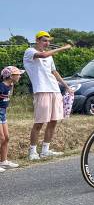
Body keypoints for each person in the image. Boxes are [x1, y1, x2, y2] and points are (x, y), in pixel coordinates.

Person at [23, 31, 73, 160]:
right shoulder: (29, 51)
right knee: (39, 122)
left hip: (54, 90)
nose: (47, 43)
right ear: (38, 41)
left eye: (48, 41)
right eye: (45, 40)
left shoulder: (49, 56)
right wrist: (64, 47)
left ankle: (45, 150)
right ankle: (32, 152)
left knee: (53, 121)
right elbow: (43, 55)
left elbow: (54, 72)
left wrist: (66, 86)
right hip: (41, 90)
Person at [0, 66, 25, 171]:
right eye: (17, 74)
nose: (20, 76)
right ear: (10, 76)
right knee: (1, 138)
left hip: (3, 113)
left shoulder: (11, 85)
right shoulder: (0, 87)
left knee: (6, 138)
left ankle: (4, 161)